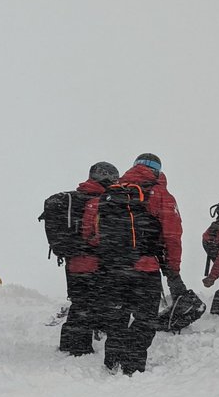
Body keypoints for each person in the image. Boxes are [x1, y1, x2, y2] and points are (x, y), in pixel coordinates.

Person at [97, 153, 184, 375]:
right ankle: (132, 366)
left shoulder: (112, 192)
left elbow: (94, 232)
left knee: (118, 315)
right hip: (145, 268)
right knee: (145, 318)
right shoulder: (160, 194)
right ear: (157, 170)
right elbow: (173, 236)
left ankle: (112, 361)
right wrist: (173, 270)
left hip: (114, 267)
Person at [58, 161, 119, 356]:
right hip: (91, 262)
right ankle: (79, 348)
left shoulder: (79, 197)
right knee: (87, 304)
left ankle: (69, 344)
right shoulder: (98, 201)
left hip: (74, 261)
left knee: (80, 303)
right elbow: (93, 235)